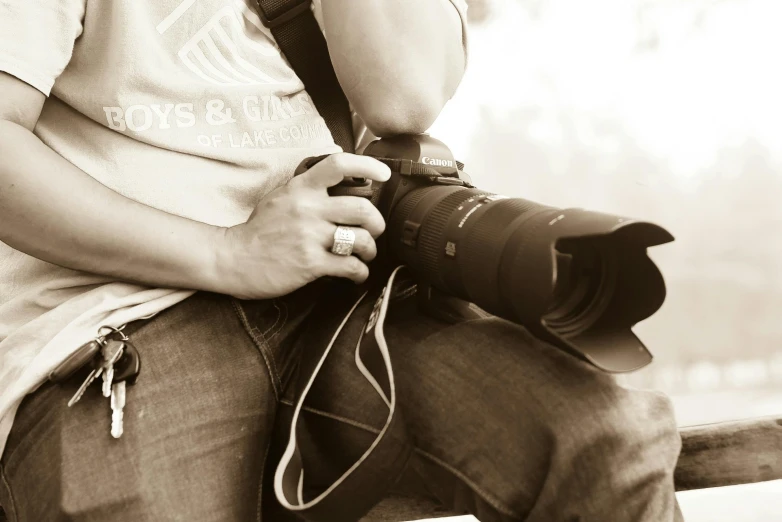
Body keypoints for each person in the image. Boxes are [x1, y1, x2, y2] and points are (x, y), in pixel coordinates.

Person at [0, 1, 684, 520]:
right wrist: (226, 253)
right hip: (131, 313)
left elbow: (403, 96)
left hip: (348, 295)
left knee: (603, 439)